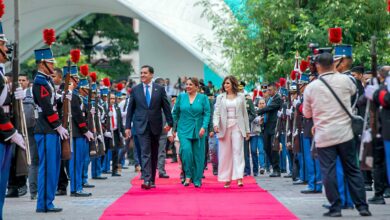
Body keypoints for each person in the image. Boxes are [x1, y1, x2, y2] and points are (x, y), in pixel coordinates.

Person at [303, 52, 370, 217]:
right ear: (334, 64)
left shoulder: (311, 87)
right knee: (353, 170)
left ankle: (335, 207)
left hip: (324, 134)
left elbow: (307, 114)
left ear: (318, 66)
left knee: (329, 171)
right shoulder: (346, 80)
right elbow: (354, 91)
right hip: (345, 133)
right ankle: (362, 206)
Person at [33, 44, 69, 212]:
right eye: (51, 63)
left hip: (50, 129)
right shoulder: (39, 82)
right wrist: (58, 125)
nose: (54, 66)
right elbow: (46, 107)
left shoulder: (46, 81)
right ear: (42, 64)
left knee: (53, 167)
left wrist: (62, 99)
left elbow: (53, 103)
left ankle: (49, 201)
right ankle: (43, 204)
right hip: (46, 129)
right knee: (47, 168)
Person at [125, 65, 173, 190]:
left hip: (156, 125)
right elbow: (130, 109)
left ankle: (151, 179)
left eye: (145, 73)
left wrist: (170, 123)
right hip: (140, 125)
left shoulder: (159, 89)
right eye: (141, 73)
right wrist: (127, 127)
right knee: (145, 152)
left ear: (151, 74)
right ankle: (146, 179)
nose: (142, 75)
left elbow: (166, 107)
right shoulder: (135, 89)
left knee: (154, 152)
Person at [0, 20, 26, 218]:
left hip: (4, 134)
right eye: (2, 44)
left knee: (1, 183)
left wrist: (13, 94)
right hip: (2, 133)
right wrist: (11, 131)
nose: (6, 48)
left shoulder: (1, 74)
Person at [172, 77, 210, 187]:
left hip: (199, 130)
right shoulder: (181, 97)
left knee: (198, 155)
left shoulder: (203, 98)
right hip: (183, 129)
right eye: (187, 84)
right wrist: (173, 128)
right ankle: (188, 175)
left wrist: (204, 127)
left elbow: (207, 113)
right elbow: (175, 113)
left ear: (197, 87)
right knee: (186, 152)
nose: (188, 86)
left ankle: (197, 179)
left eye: (190, 84)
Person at [213, 76, 250, 188]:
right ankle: (226, 178)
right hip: (224, 127)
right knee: (225, 153)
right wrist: (215, 124)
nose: (225, 85)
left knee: (238, 151)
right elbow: (216, 113)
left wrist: (247, 130)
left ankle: (239, 177)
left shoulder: (241, 97)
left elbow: (245, 114)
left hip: (237, 127)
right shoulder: (220, 97)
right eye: (224, 83)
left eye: (228, 83)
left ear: (233, 84)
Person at [257, 82, 283, 177]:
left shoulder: (277, 98)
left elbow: (269, 108)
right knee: (266, 147)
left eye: (270, 90)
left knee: (274, 148)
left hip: (274, 126)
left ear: (275, 90)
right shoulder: (269, 99)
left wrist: (258, 111)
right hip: (267, 126)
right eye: (267, 90)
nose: (268, 91)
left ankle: (277, 169)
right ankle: (274, 166)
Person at [154, 77, 170, 179]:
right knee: (149, 150)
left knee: (162, 150)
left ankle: (161, 170)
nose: (163, 87)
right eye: (161, 85)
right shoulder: (150, 96)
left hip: (163, 127)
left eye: (164, 85)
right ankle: (147, 171)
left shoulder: (167, 97)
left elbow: (169, 112)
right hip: (151, 127)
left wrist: (169, 124)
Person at [250, 98, 265, 175]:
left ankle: (262, 166)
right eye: (260, 103)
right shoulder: (254, 111)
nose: (262, 105)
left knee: (261, 150)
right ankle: (255, 169)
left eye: (263, 103)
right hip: (254, 133)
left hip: (260, 134)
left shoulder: (266, 111)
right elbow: (255, 119)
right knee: (253, 151)